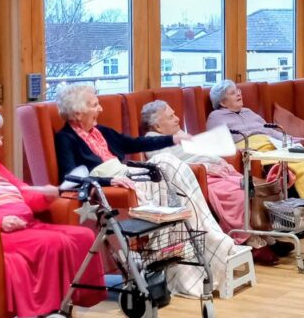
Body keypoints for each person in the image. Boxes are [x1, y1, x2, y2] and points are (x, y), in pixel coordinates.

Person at [53, 84, 234, 297]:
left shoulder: (100, 132)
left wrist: (173, 138)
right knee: (165, 163)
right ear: (77, 112)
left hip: (130, 176)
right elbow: (70, 177)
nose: (100, 109)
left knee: (166, 161)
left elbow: (133, 143)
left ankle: (208, 239)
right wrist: (109, 179)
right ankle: (211, 243)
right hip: (114, 184)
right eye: (95, 105)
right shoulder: (66, 138)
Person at [0, 105, 106, 317]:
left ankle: (71, 299)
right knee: (53, 243)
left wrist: (47, 195)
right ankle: (49, 309)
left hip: (25, 225)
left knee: (84, 236)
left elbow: (24, 193)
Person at [141, 100, 295, 266]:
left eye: (175, 114)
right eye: (171, 117)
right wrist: (207, 167)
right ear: (157, 126)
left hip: (216, 173)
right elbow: (169, 166)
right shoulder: (152, 142)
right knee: (238, 195)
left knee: (255, 189)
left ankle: (265, 236)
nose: (177, 119)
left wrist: (220, 162)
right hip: (198, 179)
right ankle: (250, 241)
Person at [205, 79, 304, 236]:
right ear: (222, 101)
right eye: (233, 92)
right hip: (251, 150)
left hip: (271, 146)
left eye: (238, 90)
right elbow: (219, 141)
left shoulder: (249, 112)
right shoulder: (216, 117)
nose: (239, 94)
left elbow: (270, 130)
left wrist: (290, 141)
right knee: (284, 172)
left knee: (302, 165)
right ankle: (291, 222)